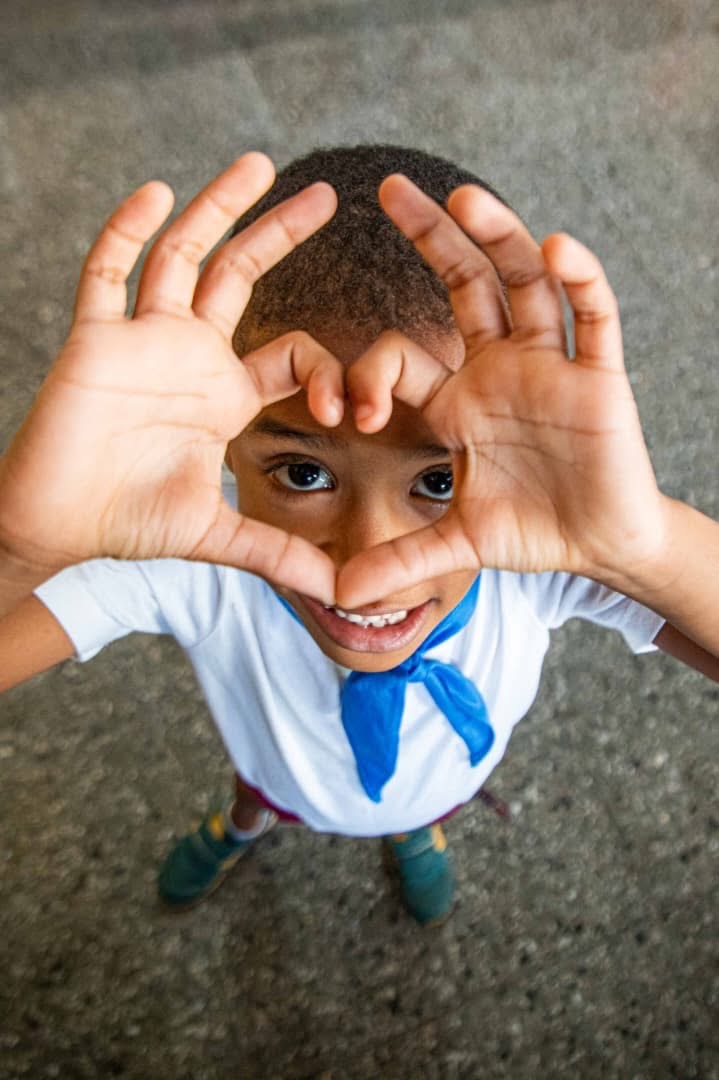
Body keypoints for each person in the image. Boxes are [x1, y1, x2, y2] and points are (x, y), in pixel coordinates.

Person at [1, 146, 717, 928]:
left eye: (439, 481)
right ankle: (242, 823)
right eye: (302, 474)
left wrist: (640, 545)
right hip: (274, 772)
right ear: (224, 453)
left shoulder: (540, 557)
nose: (370, 565)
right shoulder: (184, 560)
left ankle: (413, 829)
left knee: (416, 799)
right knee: (258, 789)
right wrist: (19, 550)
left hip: (443, 778)